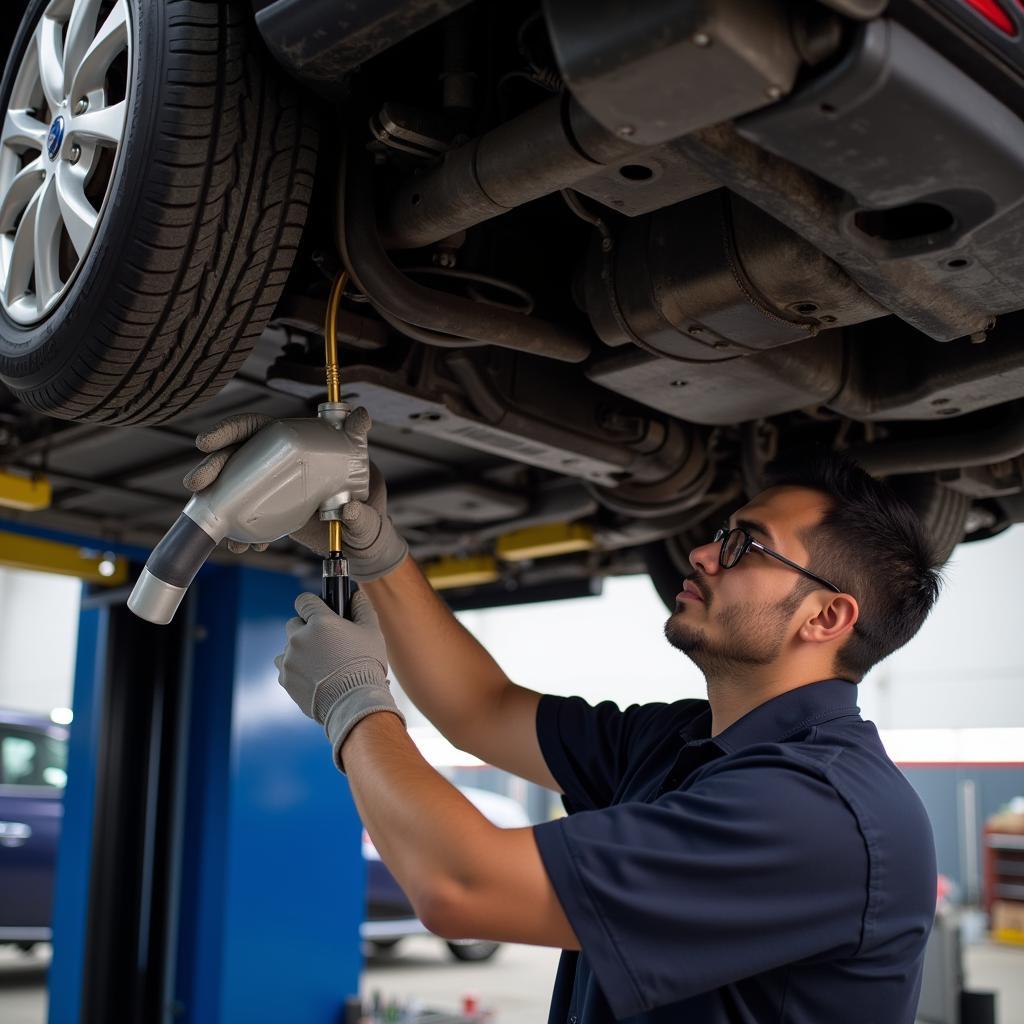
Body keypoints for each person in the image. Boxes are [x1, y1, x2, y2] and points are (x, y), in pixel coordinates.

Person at [185, 408, 948, 1023]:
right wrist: (378, 547)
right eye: (721, 535)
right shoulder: (686, 741)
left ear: (826, 617)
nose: (704, 555)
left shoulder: (821, 814)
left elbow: (459, 886)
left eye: (746, 546)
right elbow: (482, 710)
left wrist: (353, 701)